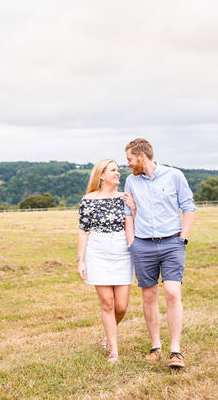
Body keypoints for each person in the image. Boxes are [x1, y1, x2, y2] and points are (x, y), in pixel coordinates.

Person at [123, 138, 196, 369]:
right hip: (143, 245)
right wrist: (132, 243)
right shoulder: (131, 181)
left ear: (141, 157)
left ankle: (176, 351)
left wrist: (182, 237)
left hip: (172, 243)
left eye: (130, 159)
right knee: (148, 296)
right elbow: (128, 213)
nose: (128, 164)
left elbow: (189, 207)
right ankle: (156, 347)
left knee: (172, 293)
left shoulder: (175, 176)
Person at [77, 159, 136, 363]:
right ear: (101, 175)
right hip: (98, 252)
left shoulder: (125, 197)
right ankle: (113, 349)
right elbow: (83, 232)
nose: (118, 173)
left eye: (118, 170)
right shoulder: (89, 199)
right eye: (113, 170)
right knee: (107, 303)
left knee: (121, 306)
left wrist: (133, 209)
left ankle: (107, 334)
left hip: (122, 252)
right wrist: (80, 260)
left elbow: (134, 224)